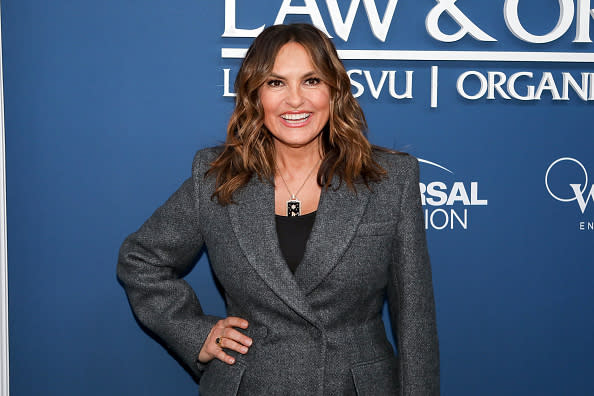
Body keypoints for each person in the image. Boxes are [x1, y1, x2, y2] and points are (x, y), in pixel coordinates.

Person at [117, 23, 439, 395]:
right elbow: (140, 259)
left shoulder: (389, 180)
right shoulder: (218, 179)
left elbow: (415, 322)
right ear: (255, 95)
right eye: (276, 83)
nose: (295, 100)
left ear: (334, 91)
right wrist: (197, 333)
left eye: (311, 81)